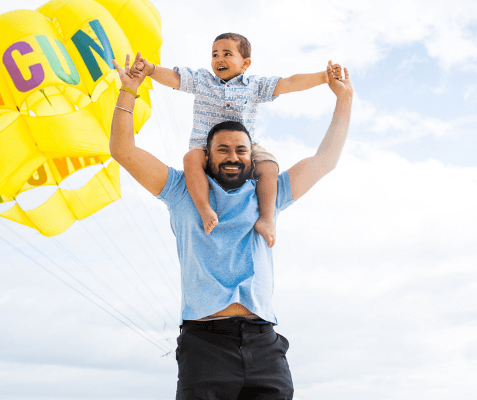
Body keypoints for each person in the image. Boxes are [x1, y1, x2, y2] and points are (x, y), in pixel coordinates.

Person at [110, 53, 352, 399]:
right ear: (205, 156)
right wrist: (129, 91)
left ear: (253, 157)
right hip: (204, 344)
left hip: (264, 342)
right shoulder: (182, 192)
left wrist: (344, 99)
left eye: (241, 150)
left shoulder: (269, 194)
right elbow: (123, 150)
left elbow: (325, 160)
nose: (233, 156)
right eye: (222, 150)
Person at [132, 33, 341, 249]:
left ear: (245, 63)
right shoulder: (202, 80)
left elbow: (289, 82)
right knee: (190, 159)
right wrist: (150, 70)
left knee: (269, 166)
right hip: (205, 145)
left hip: (245, 149)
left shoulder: (255, 86)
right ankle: (204, 209)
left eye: (227, 54)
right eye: (214, 54)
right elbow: (175, 78)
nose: (219, 59)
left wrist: (323, 77)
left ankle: (267, 219)